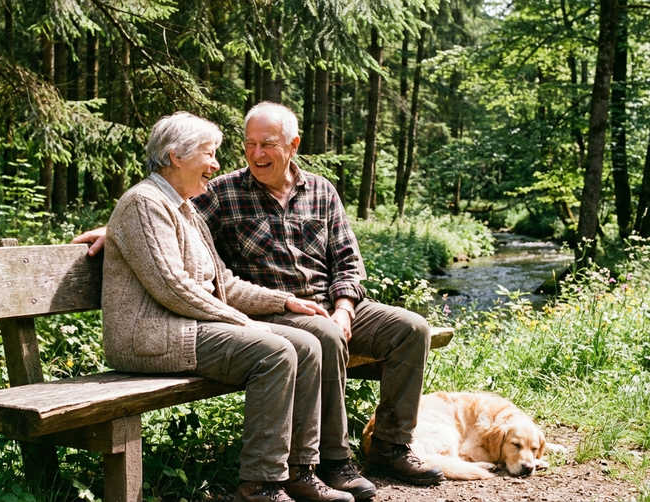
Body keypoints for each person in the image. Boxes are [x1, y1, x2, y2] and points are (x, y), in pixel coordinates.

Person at [75, 103, 444, 498]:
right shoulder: (199, 196)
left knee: (411, 329)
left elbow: (341, 263)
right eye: (246, 144)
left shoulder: (313, 191)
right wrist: (116, 225)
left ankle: (384, 448)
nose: (250, 155)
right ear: (175, 156)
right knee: (304, 342)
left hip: (306, 304)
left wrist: (335, 306)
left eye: (266, 143)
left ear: (293, 145)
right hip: (191, 327)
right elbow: (166, 264)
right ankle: (311, 468)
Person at [102, 111, 355, 502]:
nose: (217, 165)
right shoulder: (144, 203)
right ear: (175, 157)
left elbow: (225, 284)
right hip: (150, 337)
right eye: (209, 154)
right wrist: (247, 324)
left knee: (305, 343)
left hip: (187, 328)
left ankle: (300, 471)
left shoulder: (187, 209)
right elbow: (174, 288)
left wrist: (283, 301)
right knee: (273, 350)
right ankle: (261, 485)